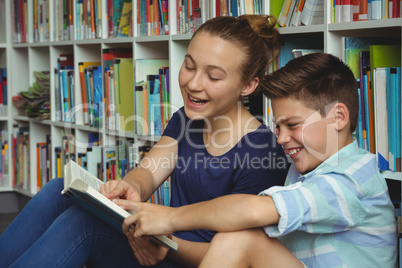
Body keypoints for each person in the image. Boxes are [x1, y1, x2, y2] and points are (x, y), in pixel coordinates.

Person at [0, 15, 288, 267]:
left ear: (248, 86)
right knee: (58, 190)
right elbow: (151, 170)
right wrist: (132, 186)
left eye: (213, 76)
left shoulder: (261, 154)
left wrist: (164, 245)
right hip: (159, 242)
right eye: (189, 66)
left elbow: (242, 255)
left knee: (83, 223)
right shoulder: (186, 120)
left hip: (196, 260)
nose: (193, 83)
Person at [116, 53, 398, 267]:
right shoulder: (308, 171)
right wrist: (169, 243)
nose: (281, 138)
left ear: (338, 118)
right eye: (277, 127)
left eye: (292, 125)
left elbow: (250, 212)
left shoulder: (352, 180)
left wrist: (171, 218)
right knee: (240, 236)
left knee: (242, 238)